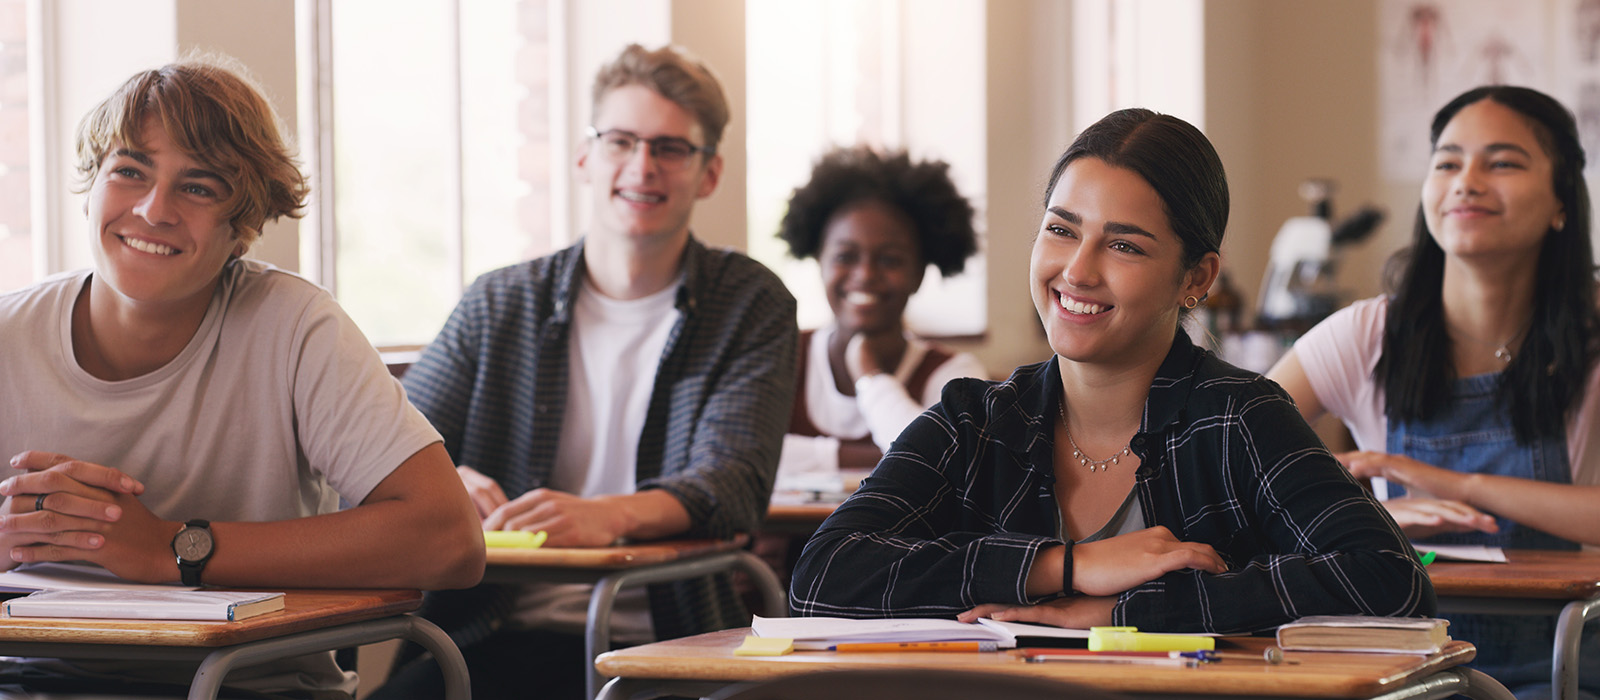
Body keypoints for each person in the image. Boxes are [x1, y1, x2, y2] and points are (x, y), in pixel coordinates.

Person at [789, 108, 1434, 633]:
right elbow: (824, 574)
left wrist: (1130, 613)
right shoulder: (974, 420)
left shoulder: (1240, 417)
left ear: (1197, 278)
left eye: (1123, 245)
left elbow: (1389, 578)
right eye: (1062, 231)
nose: (1077, 270)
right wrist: (1064, 566)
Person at [0, 56, 485, 698]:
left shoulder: (296, 326)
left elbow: (450, 540)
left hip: (250, 686)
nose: (152, 209)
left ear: (244, 229)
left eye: (198, 187)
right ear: (92, 186)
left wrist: (169, 549)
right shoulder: (10, 333)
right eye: (129, 171)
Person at [373, 44, 797, 700]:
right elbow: (383, 448)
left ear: (709, 173)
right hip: (492, 629)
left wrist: (610, 515)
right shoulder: (499, 302)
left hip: (669, 641)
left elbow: (735, 483)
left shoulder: (748, 302)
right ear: (584, 157)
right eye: (621, 141)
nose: (642, 167)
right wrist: (443, 478)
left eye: (670, 149)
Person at [1268, 85, 1600, 699]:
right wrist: (1365, 514)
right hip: (1408, 669)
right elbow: (1228, 476)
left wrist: (1455, 484)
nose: (1466, 181)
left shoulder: (1591, 338)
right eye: (1447, 162)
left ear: (1561, 201)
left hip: (1569, 663)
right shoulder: (1366, 335)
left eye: (1502, 162)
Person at [775, 146, 987, 487]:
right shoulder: (781, 356)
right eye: (845, 256)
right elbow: (747, 455)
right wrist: (873, 458)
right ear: (820, 262)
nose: (865, 274)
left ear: (919, 274)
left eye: (890, 260)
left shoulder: (954, 376)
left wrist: (871, 378)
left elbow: (942, 468)